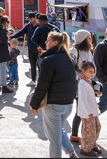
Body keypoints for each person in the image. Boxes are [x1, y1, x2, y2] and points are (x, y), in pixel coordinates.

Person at [30, 31, 78, 159]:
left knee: (54, 141)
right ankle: (71, 153)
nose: (45, 42)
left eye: (47, 40)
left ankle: (71, 153)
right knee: (58, 131)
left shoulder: (48, 61)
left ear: (55, 42)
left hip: (53, 105)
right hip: (68, 104)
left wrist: (34, 105)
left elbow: (42, 85)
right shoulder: (70, 57)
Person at [70, 29, 95, 143]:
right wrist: (78, 76)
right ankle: (80, 135)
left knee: (81, 110)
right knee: (82, 110)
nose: (91, 40)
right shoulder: (74, 50)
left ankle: (76, 135)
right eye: (89, 38)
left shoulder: (89, 52)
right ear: (84, 40)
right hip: (77, 84)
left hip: (87, 84)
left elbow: (91, 69)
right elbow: (68, 68)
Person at [77, 61, 103, 157]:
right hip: (87, 112)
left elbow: (93, 94)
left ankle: (92, 145)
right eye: (90, 71)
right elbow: (83, 99)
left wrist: (99, 92)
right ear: (83, 71)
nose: (92, 74)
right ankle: (85, 148)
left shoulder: (90, 81)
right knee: (88, 130)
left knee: (97, 127)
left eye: (93, 72)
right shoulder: (82, 83)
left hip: (93, 110)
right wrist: (88, 111)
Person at [10, 12, 39, 86]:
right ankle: (33, 80)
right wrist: (12, 37)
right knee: (32, 65)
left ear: (35, 17)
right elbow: (20, 32)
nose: (30, 20)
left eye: (31, 19)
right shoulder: (28, 26)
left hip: (39, 50)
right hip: (31, 49)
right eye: (29, 19)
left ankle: (41, 82)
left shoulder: (40, 26)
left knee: (40, 66)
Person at [0, 16, 13, 94]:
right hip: (1, 52)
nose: (8, 24)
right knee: (3, 70)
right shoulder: (1, 31)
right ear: (4, 22)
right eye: (8, 22)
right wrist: (7, 37)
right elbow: (2, 41)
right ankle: (4, 87)